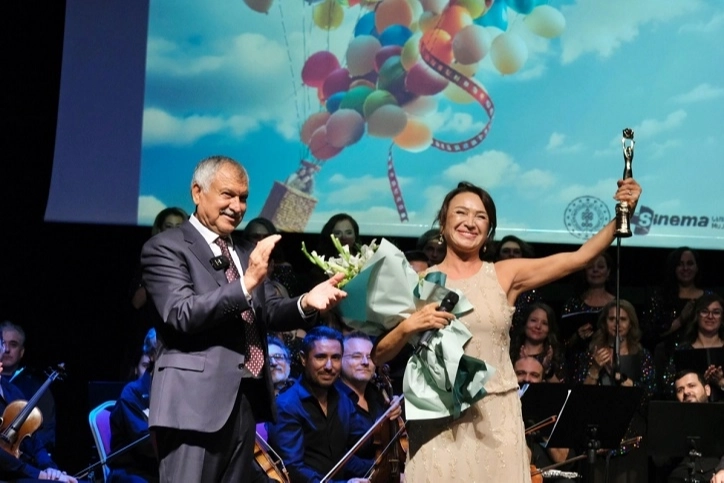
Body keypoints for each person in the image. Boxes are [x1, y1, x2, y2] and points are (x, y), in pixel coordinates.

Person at [372, 177, 642, 482]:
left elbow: (579, 258)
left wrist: (623, 214)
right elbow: (379, 355)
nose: (470, 222)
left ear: (488, 231)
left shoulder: (503, 275)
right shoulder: (421, 283)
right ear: (443, 222)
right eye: (461, 213)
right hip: (439, 421)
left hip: (496, 418)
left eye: (480, 216)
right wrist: (410, 325)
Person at [140, 155, 346, 482]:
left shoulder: (245, 251)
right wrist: (245, 284)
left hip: (245, 401)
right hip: (192, 407)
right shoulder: (166, 247)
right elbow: (181, 313)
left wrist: (306, 302)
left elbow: (268, 311)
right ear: (197, 192)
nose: (237, 207)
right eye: (228, 195)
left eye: (244, 198)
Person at [267, 327, 372, 483]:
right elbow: (293, 469)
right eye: (321, 357)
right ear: (303, 359)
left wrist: (390, 419)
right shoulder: (286, 406)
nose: (329, 366)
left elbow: (358, 447)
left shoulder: (342, 400)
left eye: (335, 358)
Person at [0, 355, 76, 482]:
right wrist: (38, 474)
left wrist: (49, 468)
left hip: (22, 472)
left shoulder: (13, 392)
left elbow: (34, 441)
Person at [109, 328, 158, 483]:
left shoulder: (173, 391)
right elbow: (146, 444)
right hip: (133, 472)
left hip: (159, 471)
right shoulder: (132, 393)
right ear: (152, 355)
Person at [0, 321, 57, 454]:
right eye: (2, 343)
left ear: (22, 352)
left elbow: (47, 433)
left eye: (13, 344)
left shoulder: (36, 387)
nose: (6, 349)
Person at [661, 294, 724, 400]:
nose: (710, 316)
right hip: (690, 408)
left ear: (722, 318)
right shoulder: (682, 350)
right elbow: (667, 386)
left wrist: (722, 382)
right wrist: (698, 383)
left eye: (716, 312)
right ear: (696, 316)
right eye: (704, 311)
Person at [510, 303, 567, 382]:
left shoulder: (556, 356)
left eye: (544, 323)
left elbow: (563, 389)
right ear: (525, 323)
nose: (538, 326)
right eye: (533, 320)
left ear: (549, 329)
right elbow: (493, 378)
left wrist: (547, 370)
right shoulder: (509, 351)